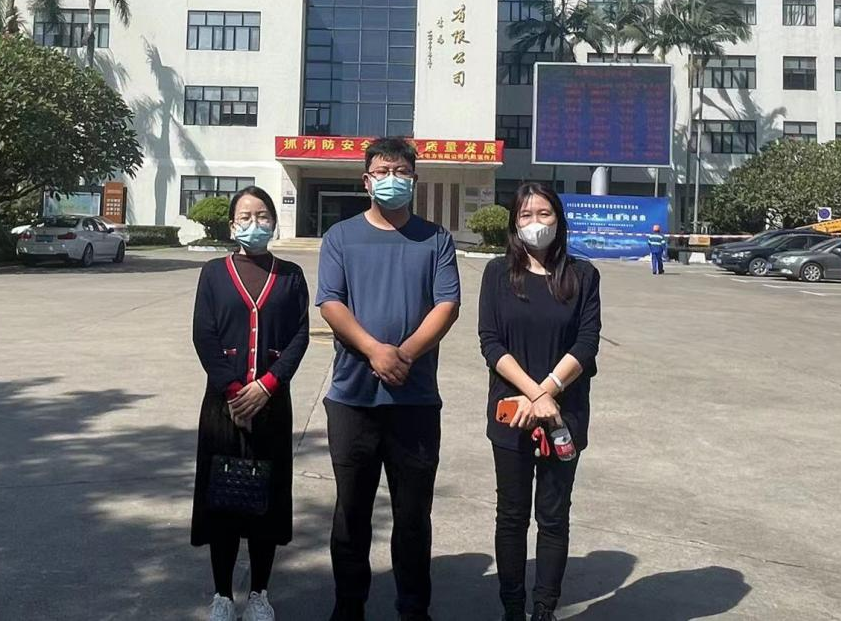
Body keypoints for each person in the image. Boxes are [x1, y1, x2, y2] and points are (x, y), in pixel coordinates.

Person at [316, 137, 461, 621]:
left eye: (400, 171)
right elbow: (331, 302)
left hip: (415, 401)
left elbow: (447, 305)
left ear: (414, 180)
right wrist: (375, 350)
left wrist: (405, 355)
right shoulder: (340, 237)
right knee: (351, 514)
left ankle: (413, 607)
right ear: (366, 180)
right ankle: (348, 606)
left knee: (413, 516)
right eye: (382, 171)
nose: (391, 179)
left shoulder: (436, 239)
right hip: (353, 399)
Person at [477, 183, 602, 621]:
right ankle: (512, 608)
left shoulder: (583, 275)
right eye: (526, 215)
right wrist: (535, 395)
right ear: (515, 223)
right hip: (511, 414)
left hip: (564, 415)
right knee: (511, 516)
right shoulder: (497, 273)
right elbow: (490, 342)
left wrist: (548, 392)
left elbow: (586, 343)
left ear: (559, 220)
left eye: (544, 214)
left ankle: (544, 608)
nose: (535, 223)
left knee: (553, 517)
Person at [192, 186, 311, 621]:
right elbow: (204, 334)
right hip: (223, 406)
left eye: (262, 216)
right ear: (231, 224)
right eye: (245, 216)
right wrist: (232, 390)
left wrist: (268, 384)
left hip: (272, 403)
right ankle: (223, 595)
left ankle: (260, 592)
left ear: (274, 222)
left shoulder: (290, 275)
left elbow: (300, 335)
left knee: (266, 499)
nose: (254, 223)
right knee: (223, 497)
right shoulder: (213, 273)